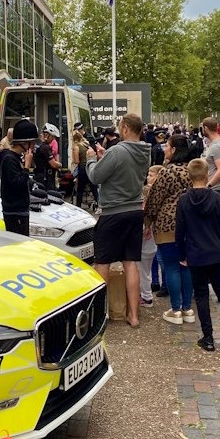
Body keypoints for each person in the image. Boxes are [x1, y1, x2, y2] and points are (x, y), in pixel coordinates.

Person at [175, 158, 220, 352]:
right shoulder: (215, 198)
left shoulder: (183, 200)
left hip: (195, 252)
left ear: (189, 177)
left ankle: (208, 337)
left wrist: (181, 253)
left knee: (201, 294)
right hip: (214, 251)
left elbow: (179, 230)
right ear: (207, 175)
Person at [86, 113, 151, 327]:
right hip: (134, 211)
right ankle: (133, 315)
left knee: (102, 262)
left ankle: (100, 315)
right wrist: (106, 157)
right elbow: (124, 169)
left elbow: (96, 177)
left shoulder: (117, 151)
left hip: (113, 211)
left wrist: (91, 160)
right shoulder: (144, 152)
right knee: (131, 262)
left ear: (124, 128)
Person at [143, 134, 194, 325]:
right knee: (186, 267)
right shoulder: (191, 170)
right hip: (190, 226)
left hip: (168, 224)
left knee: (172, 267)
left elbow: (155, 198)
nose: (164, 148)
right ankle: (188, 308)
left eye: (167, 146)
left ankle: (176, 309)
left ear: (173, 150)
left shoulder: (166, 172)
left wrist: (148, 219)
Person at [0, 119, 37, 236]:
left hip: (21, 210)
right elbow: (16, 184)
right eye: (33, 142)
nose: (34, 146)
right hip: (15, 212)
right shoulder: (9, 159)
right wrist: (26, 167)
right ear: (24, 143)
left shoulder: (17, 157)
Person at [138, 165, 163, 307]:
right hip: (150, 245)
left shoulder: (150, 195)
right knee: (145, 270)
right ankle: (145, 295)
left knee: (142, 271)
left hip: (146, 245)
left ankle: (146, 296)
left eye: (151, 175)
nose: (148, 177)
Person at [201, 117, 220, 202]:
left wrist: (209, 185)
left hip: (216, 188)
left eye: (202, 128)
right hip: (214, 188)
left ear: (205, 128)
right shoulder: (215, 143)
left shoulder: (216, 146)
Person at [71, 129, 97, 209]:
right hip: (91, 166)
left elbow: (77, 161)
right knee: (93, 188)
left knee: (80, 189)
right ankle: (99, 204)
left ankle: (78, 207)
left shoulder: (76, 147)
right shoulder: (86, 144)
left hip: (82, 168)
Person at [33, 123, 61, 191]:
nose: (54, 139)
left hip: (38, 175)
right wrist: (59, 164)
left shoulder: (37, 145)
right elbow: (53, 164)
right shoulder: (46, 147)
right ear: (47, 135)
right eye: (53, 136)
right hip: (46, 178)